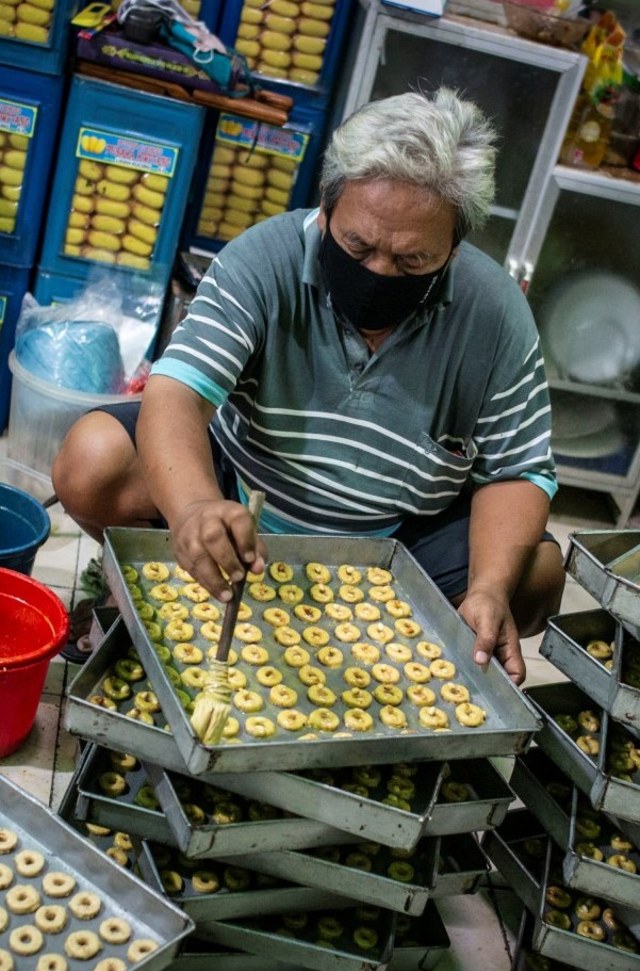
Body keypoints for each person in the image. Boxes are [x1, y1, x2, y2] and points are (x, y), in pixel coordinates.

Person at [52, 88, 565, 684]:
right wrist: (194, 507)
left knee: (536, 575)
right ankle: (161, 578)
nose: (378, 273)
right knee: (93, 458)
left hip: (397, 541)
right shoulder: (263, 261)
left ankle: (414, 647)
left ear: (455, 246)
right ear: (326, 207)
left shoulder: (493, 314)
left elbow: (516, 470)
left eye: (412, 262)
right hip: (246, 494)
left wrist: (489, 587)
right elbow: (179, 392)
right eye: (358, 246)